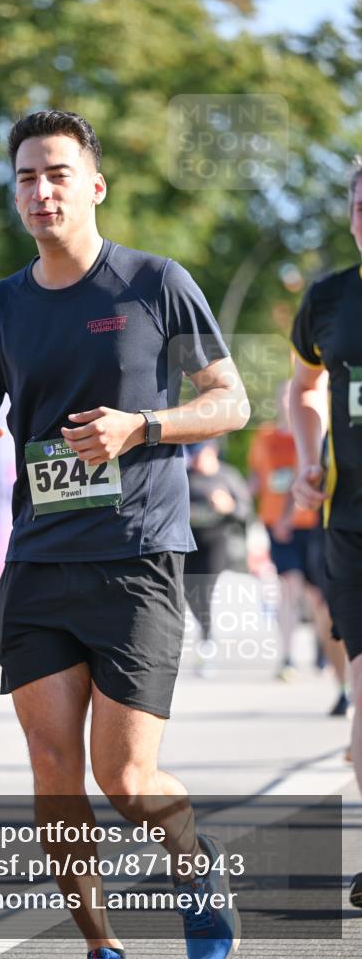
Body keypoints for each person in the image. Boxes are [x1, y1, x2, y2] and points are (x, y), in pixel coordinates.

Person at [0, 110, 249, 959]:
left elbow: (230, 401)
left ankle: (194, 867)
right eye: (26, 178)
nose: (40, 191)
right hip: (37, 566)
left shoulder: (153, 283)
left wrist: (140, 429)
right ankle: (101, 949)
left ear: (94, 186)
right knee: (53, 777)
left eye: (56, 174)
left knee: (128, 780)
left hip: (136, 560)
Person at [290, 155, 362, 906]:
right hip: (352, 522)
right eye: (360, 203)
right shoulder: (330, 299)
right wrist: (308, 457)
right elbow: (303, 383)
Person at [248, 381, 348, 703]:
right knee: (289, 587)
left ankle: (324, 652)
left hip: (314, 525)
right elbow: (256, 478)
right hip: (277, 526)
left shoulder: (317, 437)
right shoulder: (264, 438)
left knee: (317, 598)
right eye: (284, 397)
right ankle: (288, 656)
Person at [184, 439, 251, 676]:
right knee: (190, 593)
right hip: (189, 545)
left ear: (211, 451)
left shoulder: (227, 476)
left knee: (206, 591)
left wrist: (228, 506)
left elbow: (245, 513)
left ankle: (207, 643)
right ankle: (206, 634)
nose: (196, 458)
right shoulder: (185, 475)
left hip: (217, 543)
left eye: (200, 453)